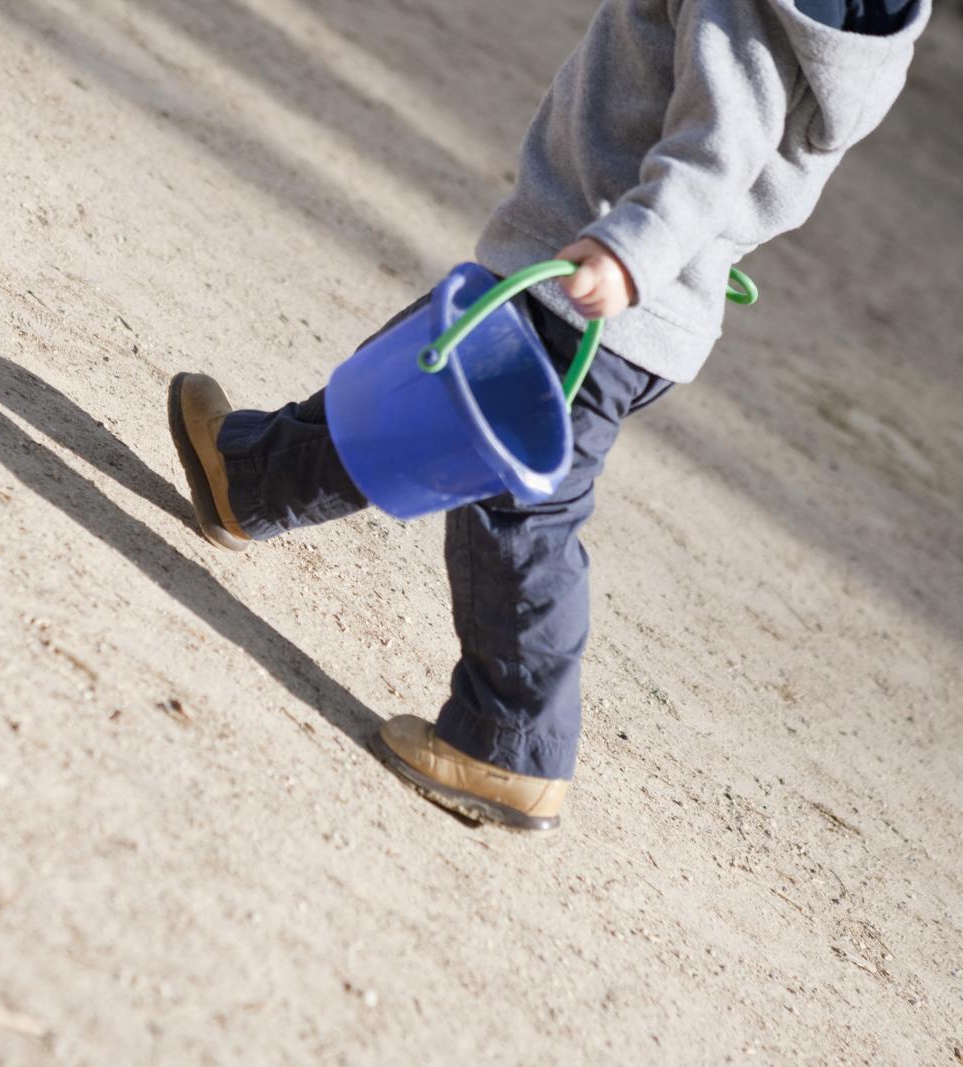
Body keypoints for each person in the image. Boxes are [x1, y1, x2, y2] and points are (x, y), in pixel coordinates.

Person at [168, 0, 929, 832]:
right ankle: (248, 477)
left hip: (596, 286)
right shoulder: (854, 23)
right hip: (613, 281)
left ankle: (510, 741)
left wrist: (629, 250)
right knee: (420, 378)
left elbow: (724, 143)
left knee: (519, 507)